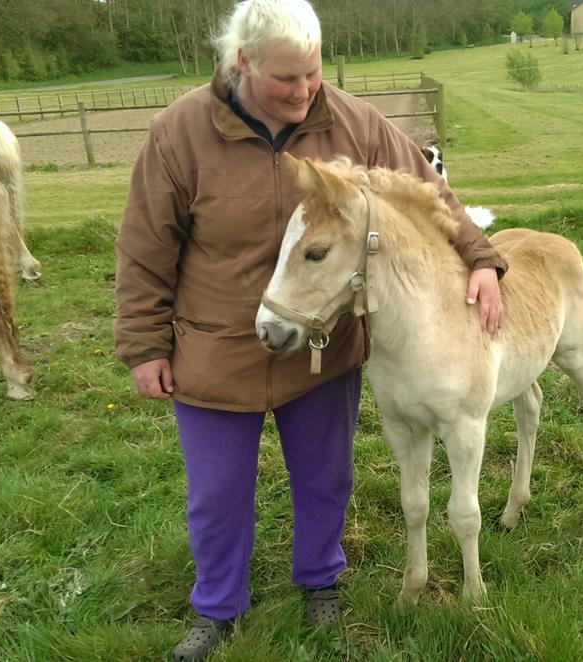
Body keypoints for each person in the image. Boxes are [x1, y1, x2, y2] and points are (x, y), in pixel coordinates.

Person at [112, 1, 507, 659]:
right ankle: (217, 606)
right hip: (216, 346)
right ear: (242, 63)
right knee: (217, 492)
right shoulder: (180, 133)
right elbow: (145, 245)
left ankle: (320, 580)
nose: (303, 92)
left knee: (325, 478)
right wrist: (144, 343)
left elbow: (430, 191)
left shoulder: (351, 120)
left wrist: (482, 257)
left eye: (312, 75)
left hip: (323, 345)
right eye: (285, 80)